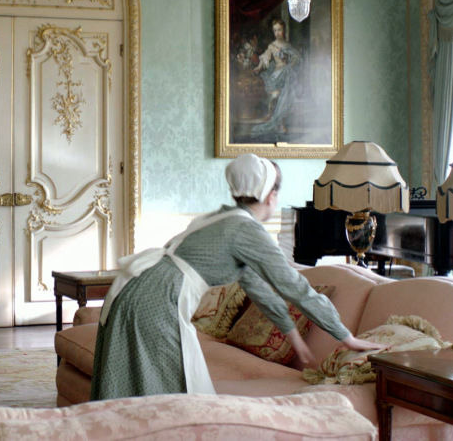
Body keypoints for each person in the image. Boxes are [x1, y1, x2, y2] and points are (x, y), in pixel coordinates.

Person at [90, 153, 385, 400]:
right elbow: (295, 287)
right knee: (168, 394)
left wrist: (295, 339)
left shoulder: (222, 217)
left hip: (138, 288)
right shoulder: (246, 230)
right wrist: (346, 336)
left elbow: (259, 290)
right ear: (270, 195)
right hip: (157, 299)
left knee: (137, 390)